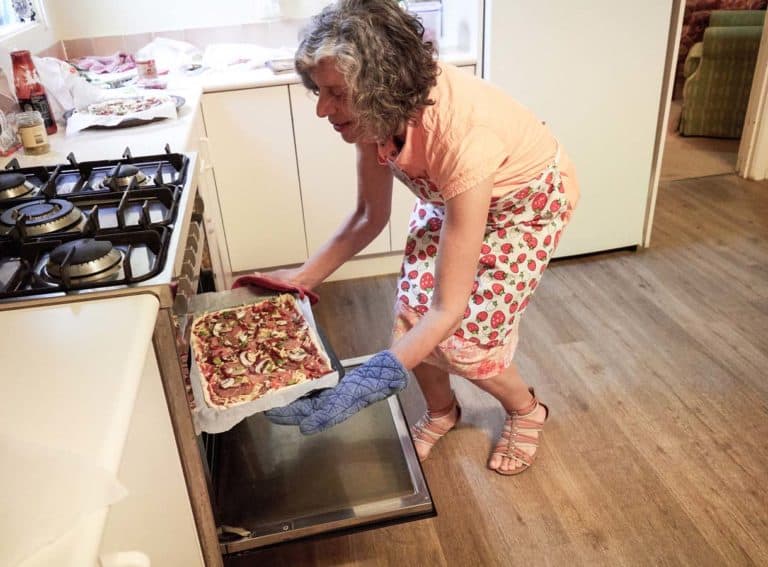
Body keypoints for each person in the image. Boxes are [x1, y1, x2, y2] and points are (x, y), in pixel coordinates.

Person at [264, 0, 579, 476]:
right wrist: (304, 277)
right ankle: (443, 411)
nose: (323, 110)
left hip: (522, 209)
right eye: (319, 92)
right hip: (455, 199)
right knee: (412, 317)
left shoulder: (465, 136)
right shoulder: (376, 113)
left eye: (336, 93)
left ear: (379, 86)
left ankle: (526, 409)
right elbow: (369, 215)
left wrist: (372, 377)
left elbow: (449, 309)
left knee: (468, 337)